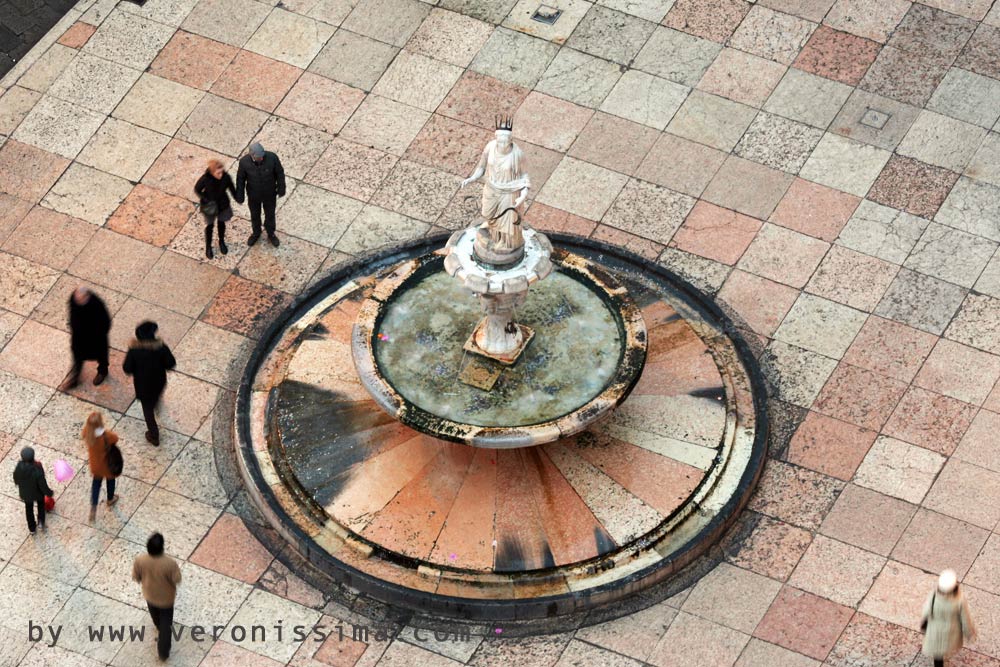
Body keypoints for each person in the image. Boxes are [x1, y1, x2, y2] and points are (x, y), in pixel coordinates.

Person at [122, 321, 176, 446]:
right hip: (159, 382)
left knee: (147, 410)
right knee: (155, 397)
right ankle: (156, 403)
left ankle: (154, 435)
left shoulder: (134, 351)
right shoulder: (161, 348)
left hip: (143, 386)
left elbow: (127, 368)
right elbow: (171, 363)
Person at [132, 532, 181, 661]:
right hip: (166, 599)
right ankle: (163, 652)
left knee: (156, 616)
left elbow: (136, 577)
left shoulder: (140, 560)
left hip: (150, 595)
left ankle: (159, 627)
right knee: (166, 623)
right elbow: (177, 579)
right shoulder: (170, 563)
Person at [921, 569, 977, 667]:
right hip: (950, 631)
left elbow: (926, 610)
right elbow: (965, 619)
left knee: (937, 651)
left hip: (935, 629)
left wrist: (923, 623)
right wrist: (970, 633)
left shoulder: (934, 596)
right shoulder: (959, 600)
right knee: (945, 646)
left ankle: (938, 663)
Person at [235, 142, 285, 248]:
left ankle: (270, 233)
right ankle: (256, 233)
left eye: (262, 156)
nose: (261, 159)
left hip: (270, 194)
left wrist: (281, 188)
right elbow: (240, 179)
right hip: (254, 196)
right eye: (259, 157)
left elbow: (279, 173)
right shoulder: (244, 162)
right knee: (255, 215)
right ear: (252, 155)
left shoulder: (272, 158)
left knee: (270, 215)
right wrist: (240, 195)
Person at [61, 287, 112, 390]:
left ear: (87, 296)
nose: (78, 301)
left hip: (96, 339)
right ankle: (75, 378)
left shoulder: (96, 304)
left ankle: (102, 372)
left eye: (81, 299)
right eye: (77, 299)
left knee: (101, 356)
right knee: (77, 358)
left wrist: (98, 334)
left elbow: (106, 321)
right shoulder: (74, 301)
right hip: (79, 339)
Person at [193, 158, 237, 259]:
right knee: (210, 226)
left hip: (222, 204)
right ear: (212, 172)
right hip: (210, 206)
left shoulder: (226, 177)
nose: (220, 175)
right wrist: (206, 199)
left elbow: (231, 188)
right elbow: (197, 189)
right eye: (218, 173)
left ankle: (221, 241)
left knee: (221, 223)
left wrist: (237, 197)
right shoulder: (205, 179)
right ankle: (208, 247)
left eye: (221, 172)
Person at [82, 411, 120, 522]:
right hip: (107, 465)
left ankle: (93, 508)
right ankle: (110, 498)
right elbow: (116, 438)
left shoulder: (87, 433)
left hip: (95, 466)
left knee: (96, 485)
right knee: (110, 481)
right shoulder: (106, 436)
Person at [12, 447, 53, 533]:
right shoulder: (37, 469)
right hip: (38, 494)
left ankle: (32, 528)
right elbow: (42, 485)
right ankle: (41, 522)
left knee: (28, 509)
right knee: (41, 506)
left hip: (26, 494)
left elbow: (16, 478)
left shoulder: (19, 466)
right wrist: (49, 493)